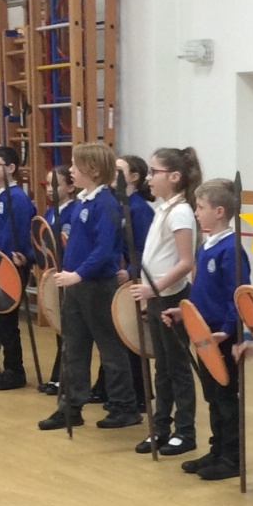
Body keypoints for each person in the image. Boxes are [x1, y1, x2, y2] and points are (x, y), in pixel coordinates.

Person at [38, 142, 141, 433]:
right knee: (73, 347)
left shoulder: (106, 203)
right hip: (76, 286)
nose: (70, 170)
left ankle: (124, 407)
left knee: (110, 349)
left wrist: (79, 274)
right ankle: (70, 407)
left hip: (97, 286)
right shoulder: (83, 201)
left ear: (93, 170)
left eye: (75, 165)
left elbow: (104, 250)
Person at [171, 178, 250, 480]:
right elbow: (202, 293)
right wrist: (183, 313)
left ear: (219, 211)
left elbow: (238, 296)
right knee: (212, 395)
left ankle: (232, 457)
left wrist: (228, 329)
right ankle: (217, 449)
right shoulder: (206, 247)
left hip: (222, 336)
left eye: (200, 207)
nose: (196, 212)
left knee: (226, 396)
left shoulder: (231, 250)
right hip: (203, 334)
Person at [131, 146, 200, 457]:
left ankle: (185, 431)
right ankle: (161, 427)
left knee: (178, 368)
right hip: (157, 298)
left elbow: (185, 263)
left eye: (153, 172)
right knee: (162, 368)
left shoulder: (182, 211)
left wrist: (153, 289)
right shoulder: (163, 209)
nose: (148, 178)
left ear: (174, 177)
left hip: (172, 297)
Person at [0, 145, 36, 391]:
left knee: (7, 321)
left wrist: (22, 257)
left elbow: (21, 233)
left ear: (11, 168)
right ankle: (5, 365)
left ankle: (15, 370)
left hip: (9, 265)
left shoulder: (18, 198)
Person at [114, 154, 155, 411]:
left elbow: (143, 250)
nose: (113, 174)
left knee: (132, 336)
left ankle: (140, 393)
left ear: (134, 176)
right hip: (118, 278)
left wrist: (130, 272)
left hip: (133, 280)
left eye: (119, 170)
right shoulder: (118, 204)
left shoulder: (140, 209)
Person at [40, 166, 78, 397]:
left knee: (69, 331)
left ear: (71, 187)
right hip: (53, 275)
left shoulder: (73, 211)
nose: (50, 189)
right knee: (59, 328)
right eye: (48, 185)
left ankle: (63, 379)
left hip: (70, 276)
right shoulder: (49, 213)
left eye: (56, 184)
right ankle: (58, 377)